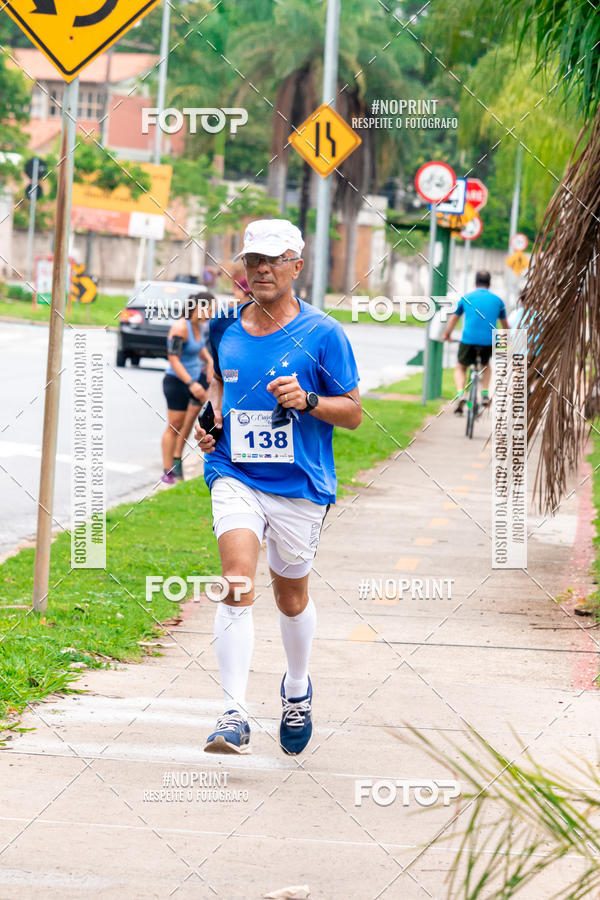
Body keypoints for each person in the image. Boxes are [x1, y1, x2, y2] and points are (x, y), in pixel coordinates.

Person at [195, 218, 362, 756]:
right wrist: (210, 423)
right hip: (235, 473)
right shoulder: (224, 327)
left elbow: (354, 412)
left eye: (273, 260)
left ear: (297, 265)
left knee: (290, 598)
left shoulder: (324, 334)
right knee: (236, 582)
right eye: (252, 260)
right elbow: (219, 385)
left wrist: (308, 401)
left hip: (299, 485)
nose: (261, 270)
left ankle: (295, 688)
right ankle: (233, 713)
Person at [161, 292, 214, 484]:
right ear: (199, 307)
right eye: (209, 309)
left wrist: (209, 361)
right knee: (174, 426)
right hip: (176, 382)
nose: (211, 313)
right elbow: (173, 358)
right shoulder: (181, 327)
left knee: (185, 425)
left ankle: (177, 465)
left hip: (191, 382)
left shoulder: (197, 326)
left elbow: (198, 348)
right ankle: (167, 473)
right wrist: (191, 384)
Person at [442, 270, 509, 414]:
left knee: (461, 367)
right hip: (489, 342)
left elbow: (454, 319)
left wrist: (447, 334)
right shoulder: (498, 301)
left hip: (468, 340)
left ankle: (461, 395)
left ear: (475, 283)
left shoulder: (466, 298)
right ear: (490, 284)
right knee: (486, 365)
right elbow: (505, 325)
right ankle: (485, 394)